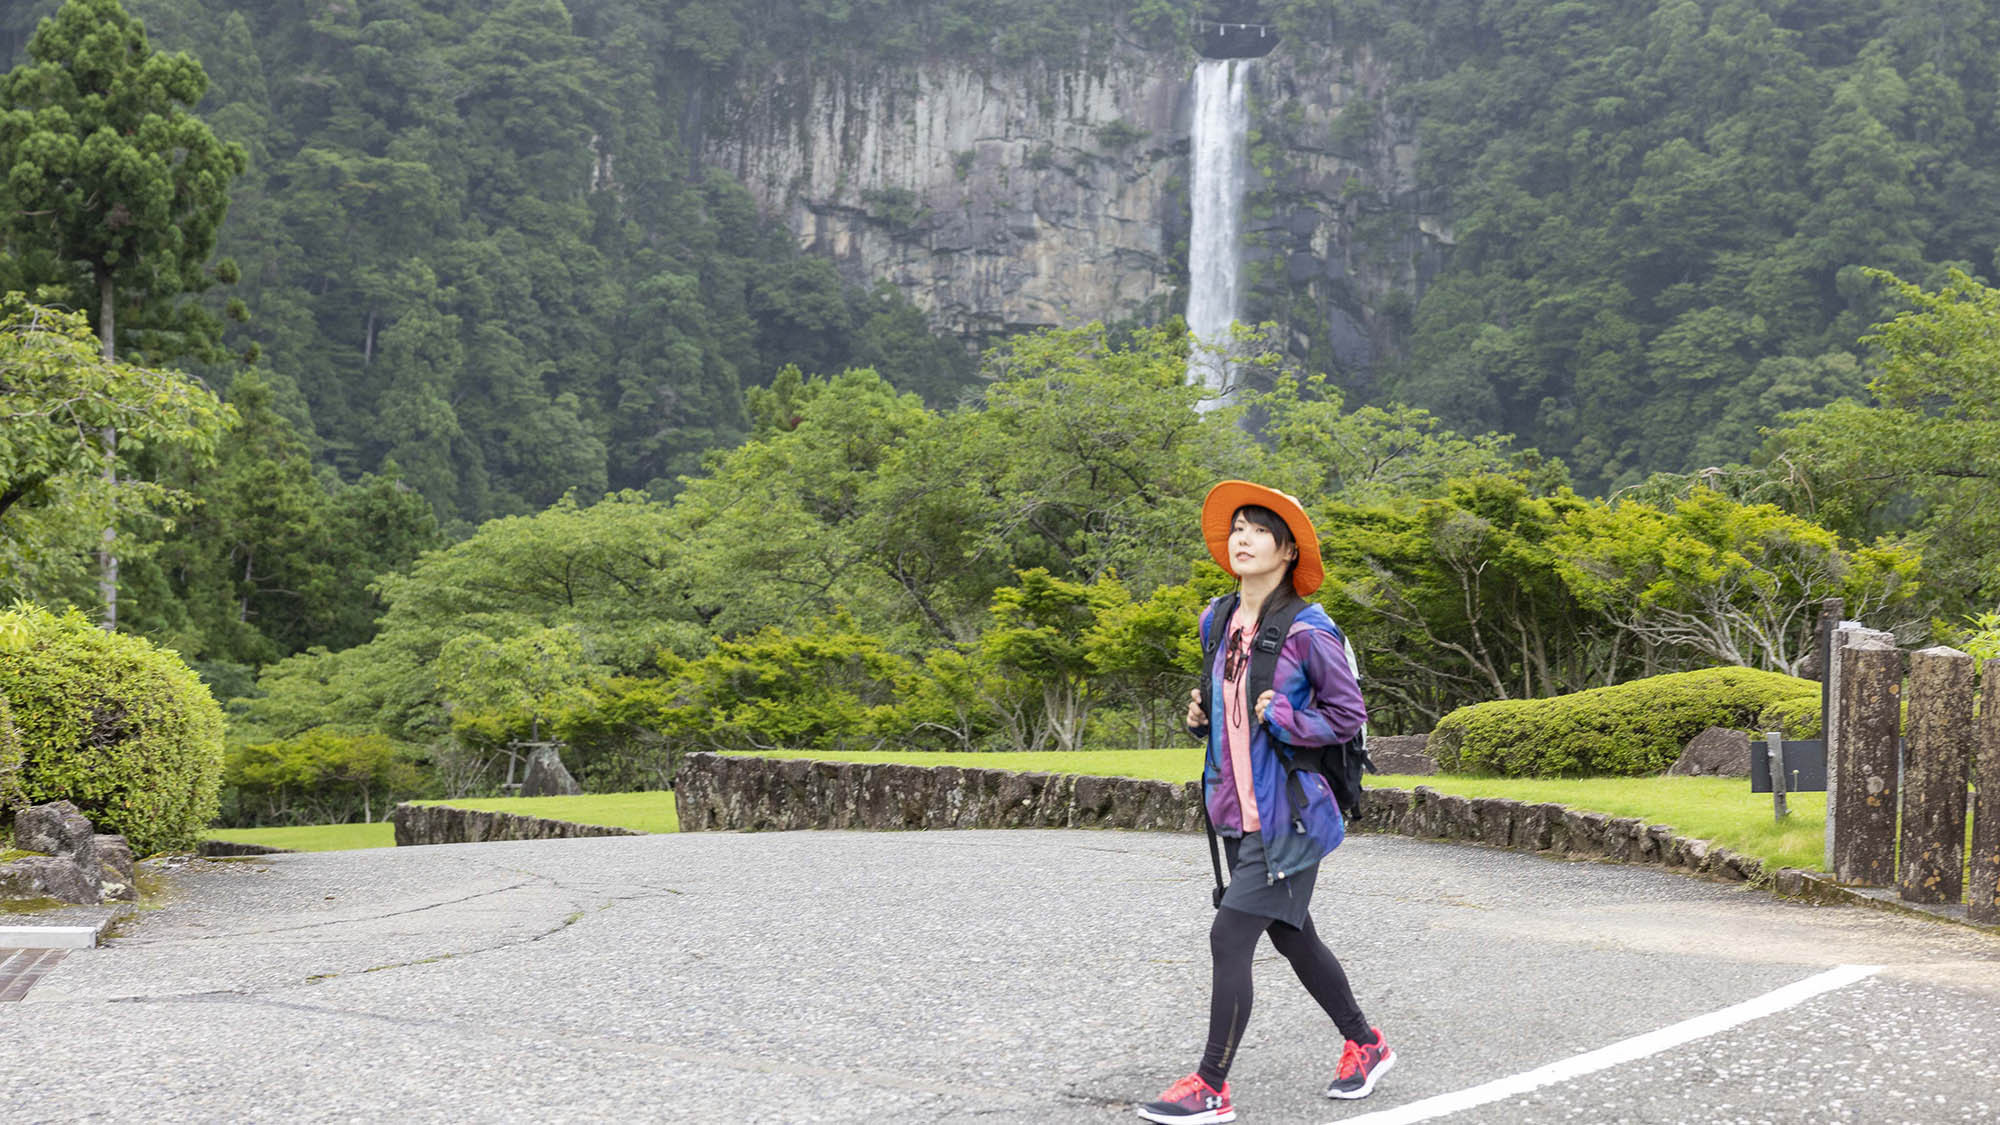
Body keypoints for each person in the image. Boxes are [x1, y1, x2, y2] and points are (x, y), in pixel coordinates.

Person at [1137, 481, 1394, 1124]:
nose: (1241, 539)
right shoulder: (1216, 620)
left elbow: (1348, 716)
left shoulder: (1310, 631)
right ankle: (1366, 1043)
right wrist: (1203, 720)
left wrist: (1283, 714)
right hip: (1233, 808)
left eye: (1256, 530)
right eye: (1236, 530)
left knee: (1230, 935)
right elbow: (1225, 713)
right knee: (1290, 933)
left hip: (1294, 816)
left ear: (1286, 551)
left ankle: (1211, 1085)